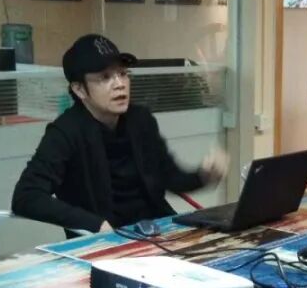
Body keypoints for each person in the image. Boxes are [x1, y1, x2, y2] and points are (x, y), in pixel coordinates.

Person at [12, 34, 227, 233]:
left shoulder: (140, 120)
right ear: (79, 89)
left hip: (156, 231)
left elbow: (169, 177)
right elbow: (26, 196)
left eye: (123, 74)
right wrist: (94, 224)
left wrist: (204, 175)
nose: (119, 84)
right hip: (106, 241)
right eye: (105, 77)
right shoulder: (66, 132)